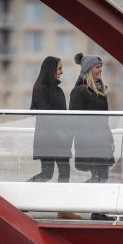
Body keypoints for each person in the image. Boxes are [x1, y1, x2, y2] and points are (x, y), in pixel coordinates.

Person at [28, 56, 81, 221]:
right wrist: (61, 134)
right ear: (51, 70)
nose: (62, 72)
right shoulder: (41, 89)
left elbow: (62, 116)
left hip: (61, 140)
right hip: (48, 139)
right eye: (59, 68)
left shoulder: (58, 90)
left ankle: (62, 210)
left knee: (64, 172)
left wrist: (67, 133)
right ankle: (21, 196)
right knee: (47, 174)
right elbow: (46, 117)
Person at [69, 52, 116, 221]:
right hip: (89, 142)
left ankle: (98, 212)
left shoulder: (100, 90)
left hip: (102, 141)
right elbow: (73, 118)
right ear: (89, 69)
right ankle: (71, 199)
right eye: (97, 67)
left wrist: (109, 139)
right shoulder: (79, 91)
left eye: (101, 66)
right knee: (97, 176)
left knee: (103, 176)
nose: (101, 70)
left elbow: (104, 119)